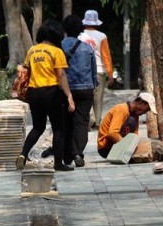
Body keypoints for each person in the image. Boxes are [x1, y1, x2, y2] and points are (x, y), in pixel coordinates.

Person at [16, 19, 76, 172]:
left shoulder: (32, 50)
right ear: (57, 35)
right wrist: (69, 95)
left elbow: (25, 71)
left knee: (37, 127)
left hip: (34, 92)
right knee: (58, 129)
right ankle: (58, 163)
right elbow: (61, 75)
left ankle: (23, 154)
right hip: (51, 92)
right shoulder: (57, 52)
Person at [61, 14, 98, 167]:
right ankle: (77, 153)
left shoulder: (59, 47)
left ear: (64, 29)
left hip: (65, 90)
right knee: (81, 122)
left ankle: (67, 155)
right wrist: (93, 86)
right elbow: (94, 73)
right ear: (81, 30)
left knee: (66, 122)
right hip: (85, 90)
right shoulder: (88, 48)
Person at [78, 10, 114, 129]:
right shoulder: (102, 36)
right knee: (98, 97)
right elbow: (106, 56)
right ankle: (98, 123)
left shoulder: (80, 35)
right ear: (96, 22)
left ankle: (88, 121)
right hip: (99, 70)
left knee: (86, 96)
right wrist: (110, 74)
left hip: (84, 70)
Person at [97, 92, 157, 158]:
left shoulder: (134, 114)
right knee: (131, 120)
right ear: (142, 103)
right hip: (105, 148)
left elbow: (135, 135)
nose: (145, 113)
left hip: (116, 146)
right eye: (147, 109)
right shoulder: (121, 109)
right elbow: (112, 133)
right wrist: (128, 146)